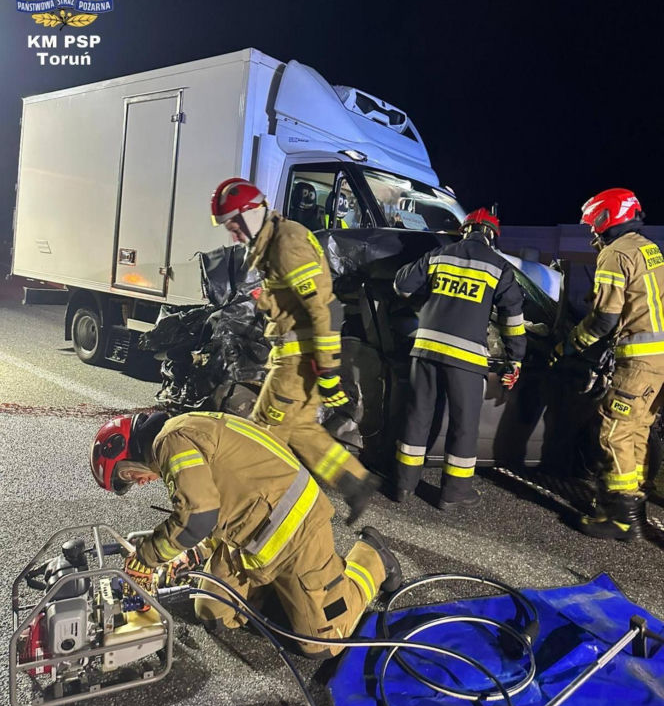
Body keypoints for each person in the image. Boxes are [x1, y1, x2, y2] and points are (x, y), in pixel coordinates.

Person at [90, 410, 401, 657]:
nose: (139, 482)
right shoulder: (181, 430)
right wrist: (191, 554)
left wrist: (147, 557)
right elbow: (221, 503)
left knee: (321, 643)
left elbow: (197, 516)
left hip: (295, 529)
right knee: (212, 612)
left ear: (127, 450)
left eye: (128, 475)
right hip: (254, 533)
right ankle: (284, 591)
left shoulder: (170, 442)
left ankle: (372, 557)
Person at [210, 177, 378, 523]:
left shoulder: (286, 244)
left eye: (234, 225)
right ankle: (355, 482)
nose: (234, 235)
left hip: (298, 362)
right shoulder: (276, 242)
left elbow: (325, 309)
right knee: (301, 430)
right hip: (295, 356)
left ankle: (257, 513)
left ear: (251, 214)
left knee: (264, 437)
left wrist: (328, 370)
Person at [393, 208, 526, 508]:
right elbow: (513, 319)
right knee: (464, 425)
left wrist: (426, 302)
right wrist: (515, 358)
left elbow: (401, 285)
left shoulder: (439, 255)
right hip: (466, 359)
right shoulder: (499, 268)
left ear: (465, 230)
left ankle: (403, 487)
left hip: (425, 350)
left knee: (417, 417)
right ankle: (453, 495)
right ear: (492, 235)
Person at [552, 188, 664, 541]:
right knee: (637, 431)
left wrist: (569, 345)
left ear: (607, 217)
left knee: (612, 429)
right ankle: (632, 506)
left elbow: (604, 320)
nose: (591, 233)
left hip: (639, 360)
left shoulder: (615, 255)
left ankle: (620, 520)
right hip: (658, 361)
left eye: (593, 224)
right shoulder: (648, 248)